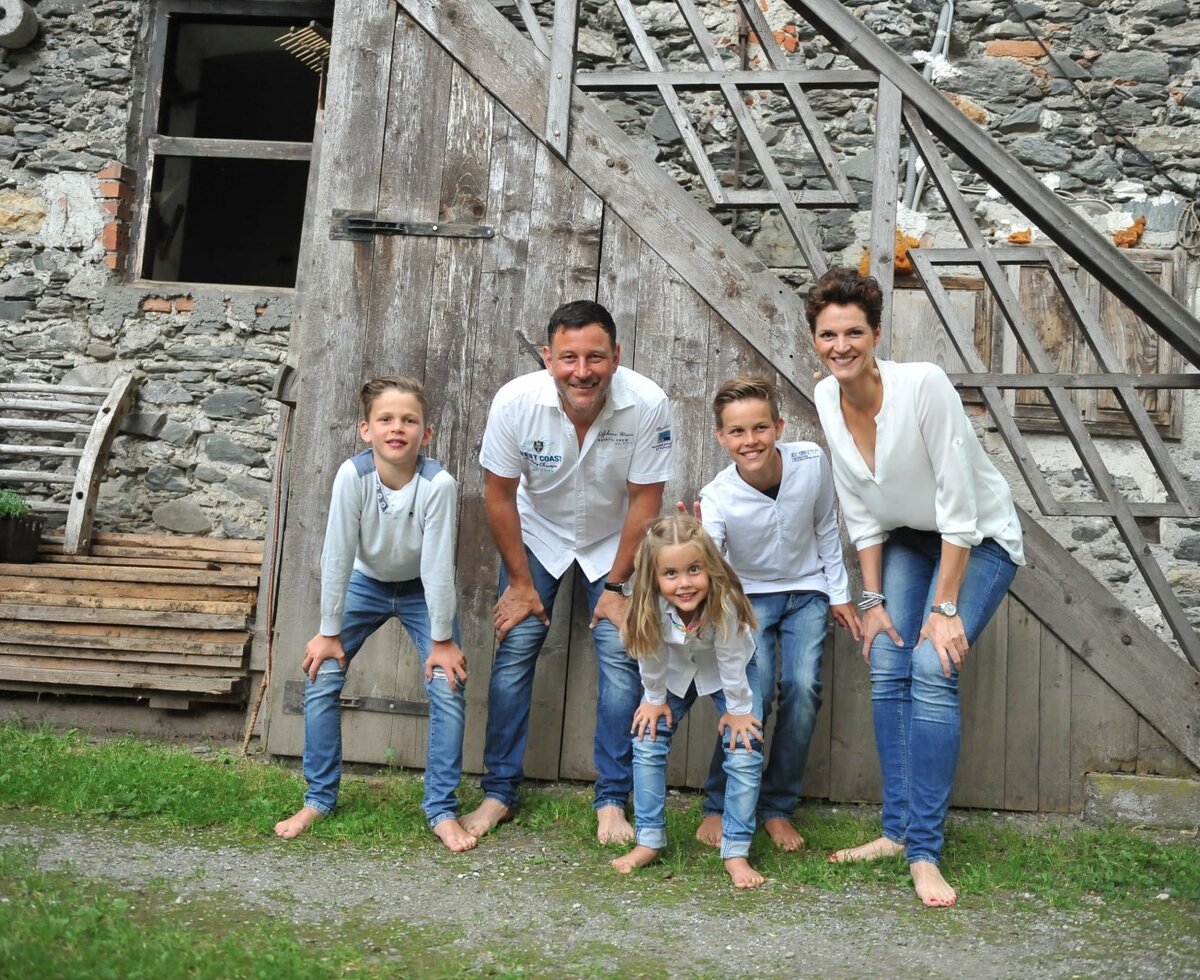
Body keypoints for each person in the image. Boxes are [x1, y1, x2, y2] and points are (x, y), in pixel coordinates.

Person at [807, 266, 1024, 907]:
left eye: (853, 332)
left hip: (977, 539)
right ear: (815, 341)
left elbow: (960, 506)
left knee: (932, 663)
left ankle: (924, 850)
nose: (840, 346)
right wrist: (871, 604)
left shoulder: (922, 385)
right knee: (887, 662)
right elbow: (861, 508)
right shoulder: (826, 397)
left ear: (875, 334)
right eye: (827, 335)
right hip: (905, 538)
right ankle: (895, 832)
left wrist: (945, 608)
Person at [461, 300, 674, 844]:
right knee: (515, 652)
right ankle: (498, 794)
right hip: (540, 535)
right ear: (547, 358)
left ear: (616, 356)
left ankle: (612, 800)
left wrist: (619, 586)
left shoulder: (647, 402)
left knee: (621, 658)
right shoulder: (515, 402)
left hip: (614, 541)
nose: (583, 371)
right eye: (569, 358)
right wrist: (521, 582)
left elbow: (646, 501)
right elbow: (500, 495)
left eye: (596, 357)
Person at [274, 376, 475, 853]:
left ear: (426, 433)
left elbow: (438, 566)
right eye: (385, 419)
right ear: (366, 430)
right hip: (366, 582)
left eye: (409, 420)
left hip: (421, 589)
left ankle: (441, 810)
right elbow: (338, 555)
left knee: (448, 684)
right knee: (321, 674)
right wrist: (328, 632)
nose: (397, 428)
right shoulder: (354, 475)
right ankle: (319, 798)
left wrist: (443, 640)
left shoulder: (438, 485)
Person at [691, 376, 860, 853]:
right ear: (721, 437)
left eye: (760, 428)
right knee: (752, 694)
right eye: (738, 432)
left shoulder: (811, 461)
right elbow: (714, 560)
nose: (751, 441)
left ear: (779, 426)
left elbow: (826, 524)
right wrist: (696, 550)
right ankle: (718, 802)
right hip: (749, 602)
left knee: (803, 689)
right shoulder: (718, 496)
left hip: (808, 591)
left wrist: (840, 593)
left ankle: (777, 807)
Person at [611, 514, 766, 889]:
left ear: (709, 567)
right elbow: (649, 652)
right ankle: (649, 839)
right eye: (672, 574)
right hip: (674, 673)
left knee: (744, 750)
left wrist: (739, 711)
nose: (684, 583)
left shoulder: (724, 601)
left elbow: (730, 659)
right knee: (647, 740)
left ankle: (736, 850)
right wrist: (653, 699)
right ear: (654, 577)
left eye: (694, 569)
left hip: (732, 674)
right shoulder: (647, 604)